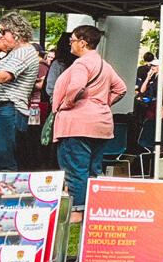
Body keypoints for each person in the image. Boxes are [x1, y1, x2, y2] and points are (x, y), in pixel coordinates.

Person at [52, 25, 129, 214]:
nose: (70, 44)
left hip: (77, 124)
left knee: (75, 170)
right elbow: (121, 89)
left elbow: (76, 87)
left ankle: (78, 211)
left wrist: (67, 104)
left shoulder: (81, 64)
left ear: (83, 43)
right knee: (94, 170)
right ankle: (94, 210)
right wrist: (103, 103)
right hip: (101, 124)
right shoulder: (105, 65)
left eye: (72, 40)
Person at [0, 14, 39, 170]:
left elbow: (4, 77)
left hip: (8, 110)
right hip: (1, 110)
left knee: (5, 160)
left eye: (3, 32)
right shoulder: (13, 53)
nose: (0, 36)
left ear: (15, 32)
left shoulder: (25, 51)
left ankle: (8, 194)